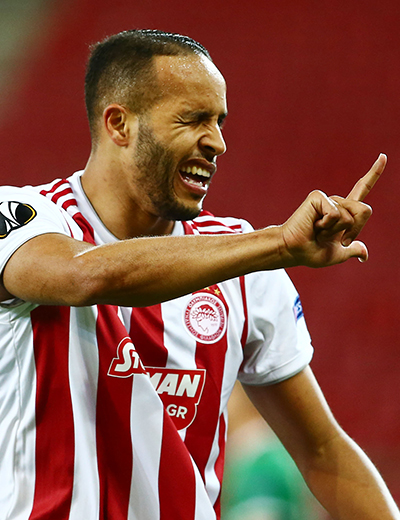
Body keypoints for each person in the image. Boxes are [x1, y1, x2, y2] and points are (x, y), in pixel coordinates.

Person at [0, 29, 397, 520]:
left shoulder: (243, 264)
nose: (218, 143)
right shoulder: (26, 219)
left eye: (219, 121)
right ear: (119, 124)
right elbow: (85, 277)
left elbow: (323, 453)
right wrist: (276, 244)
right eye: (193, 120)